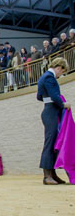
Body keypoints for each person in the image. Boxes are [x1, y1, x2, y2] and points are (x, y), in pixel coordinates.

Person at [37, 57, 70, 185]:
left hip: (48, 110)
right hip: (51, 112)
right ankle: (47, 176)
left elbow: (39, 96)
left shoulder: (43, 77)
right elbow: (54, 95)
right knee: (50, 142)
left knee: (53, 142)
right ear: (58, 67)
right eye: (62, 71)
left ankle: (52, 174)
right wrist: (63, 104)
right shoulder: (50, 77)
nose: (61, 74)